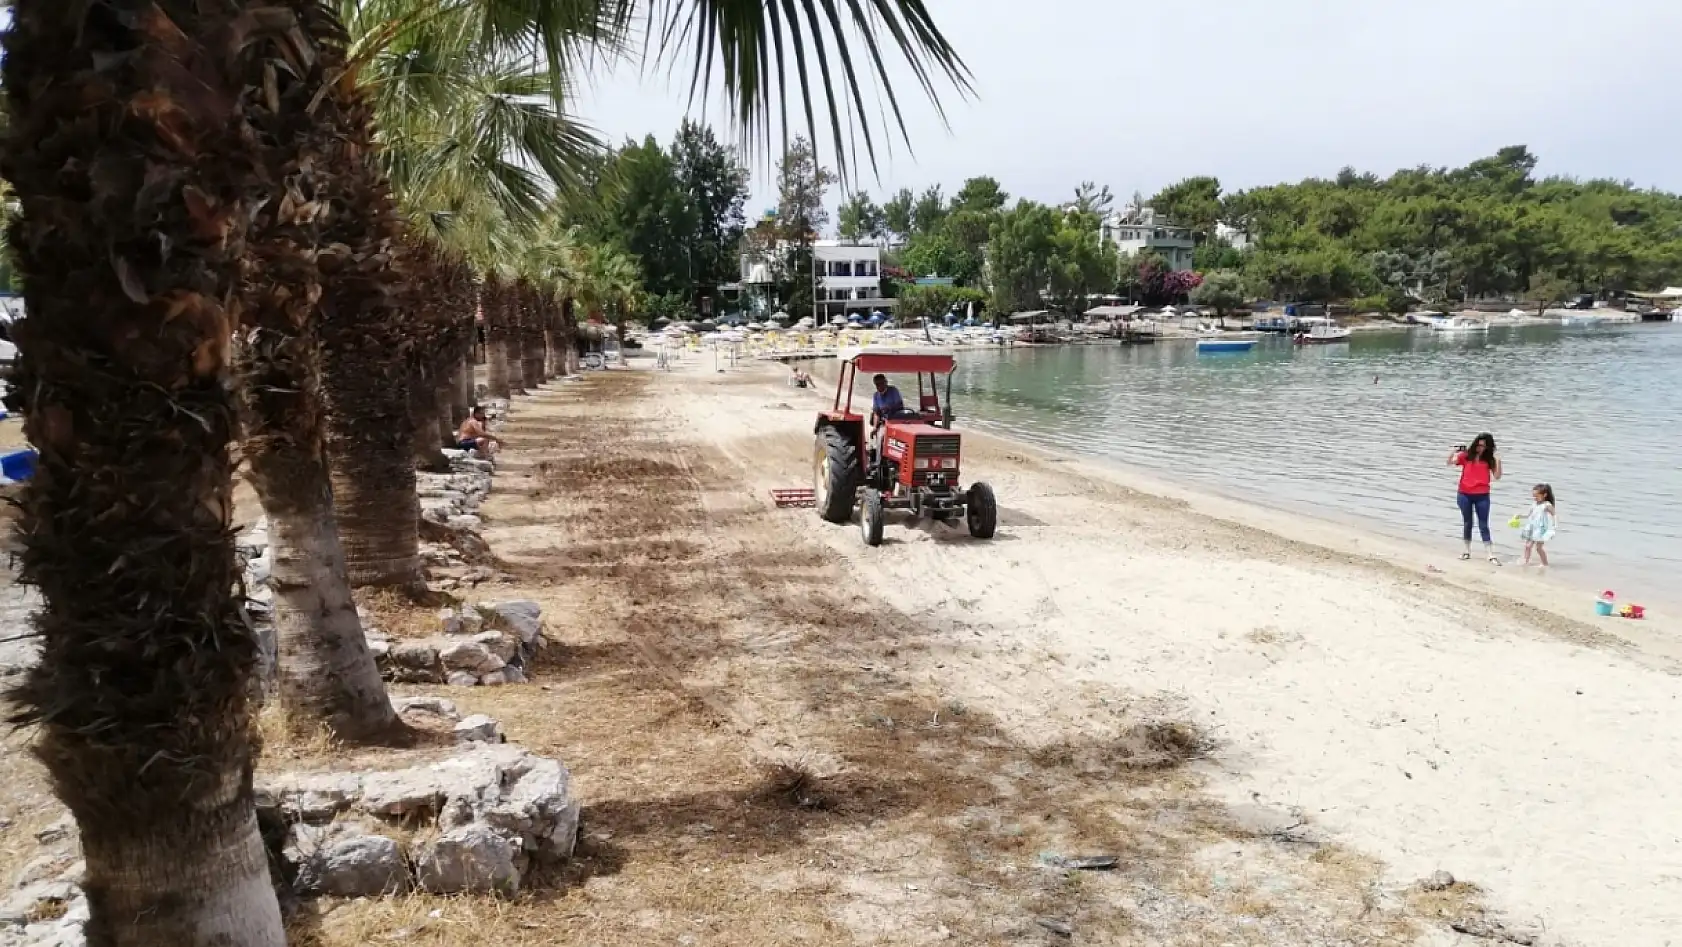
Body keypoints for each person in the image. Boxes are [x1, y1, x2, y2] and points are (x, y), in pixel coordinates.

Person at [1448, 433, 1502, 563]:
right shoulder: (1466, 456)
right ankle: (1466, 551)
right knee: (1468, 522)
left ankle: (1490, 554)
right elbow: (1450, 462)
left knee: (1483, 524)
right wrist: (1453, 451)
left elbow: (1497, 476)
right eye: (1478, 445)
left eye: (1483, 446)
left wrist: (1498, 461)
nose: (1480, 448)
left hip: (1482, 495)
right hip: (1464, 493)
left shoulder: (1489, 460)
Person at [1519, 483, 1558, 567]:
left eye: (1536, 496)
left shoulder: (1547, 505)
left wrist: (1554, 526)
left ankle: (1545, 563)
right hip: (1532, 528)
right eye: (1534, 496)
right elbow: (1528, 514)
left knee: (1538, 548)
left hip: (1541, 530)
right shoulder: (1534, 504)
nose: (1535, 498)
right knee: (1527, 546)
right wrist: (1520, 516)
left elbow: (1554, 514)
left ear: (1544, 495)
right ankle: (1525, 561)